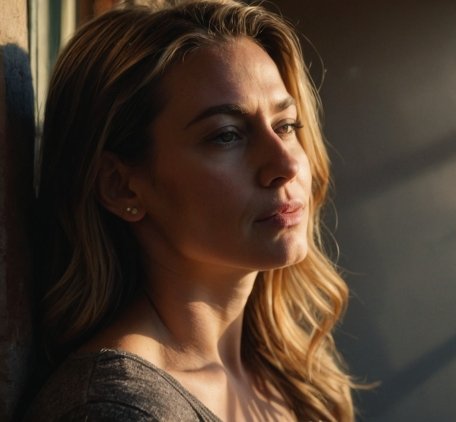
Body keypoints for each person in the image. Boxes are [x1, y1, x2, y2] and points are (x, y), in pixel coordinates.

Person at [26, 1, 356, 420]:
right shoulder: (116, 410)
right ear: (120, 184)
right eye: (226, 136)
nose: (287, 164)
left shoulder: (289, 377)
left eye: (286, 126)